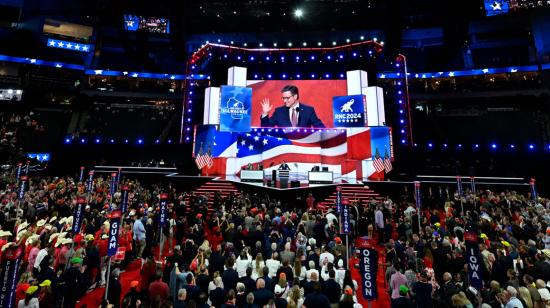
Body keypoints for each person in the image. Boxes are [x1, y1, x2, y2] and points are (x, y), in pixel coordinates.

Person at [260, 85, 325, 128]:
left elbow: (320, 128)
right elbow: (266, 128)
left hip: (303, 146)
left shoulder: (308, 110)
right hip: (285, 146)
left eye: (287, 98)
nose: (285, 101)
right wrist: (265, 113)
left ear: (295, 96)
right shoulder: (279, 112)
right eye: (283, 98)